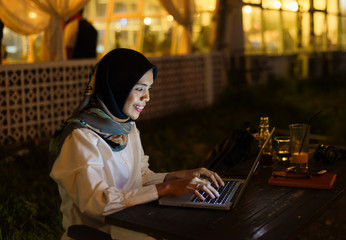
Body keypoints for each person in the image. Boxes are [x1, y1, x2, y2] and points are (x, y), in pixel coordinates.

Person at [49, 48, 224, 240]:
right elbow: (98, 203)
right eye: (140, 88)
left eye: (149, 89)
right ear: (116, 86)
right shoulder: (80, 137)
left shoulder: (126, 127)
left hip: (132, 223)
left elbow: (139, 177)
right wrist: (166, 189)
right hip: (99, 234)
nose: (147, 97)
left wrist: (177, 177)